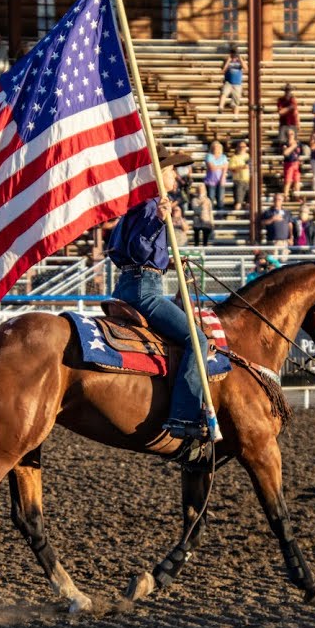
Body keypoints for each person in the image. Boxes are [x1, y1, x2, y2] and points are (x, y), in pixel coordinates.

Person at [106, 145, 212, 442]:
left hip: (128, 285)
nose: (176, 177)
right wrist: (158, 223)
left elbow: (117, 249)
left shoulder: (137, 205)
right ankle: (183, 416)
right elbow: (140, 249)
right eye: (172, 171)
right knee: (197, 340)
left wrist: (165, 260)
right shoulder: (152, 207)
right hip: (145, 289)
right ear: (158, 173)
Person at [261, 193, 294, 259]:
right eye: (275, 199)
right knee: (273, 261)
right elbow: (262, 223)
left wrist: (291, 237)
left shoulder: (287, 212)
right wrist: (272, 219)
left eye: (279, 199)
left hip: (284, 242)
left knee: (284, 261)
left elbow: (290, 225)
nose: (277, 201)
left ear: (282, 201)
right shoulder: (268, 212)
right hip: (272, 241)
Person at [218, 45, 246, 113]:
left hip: (237, 83)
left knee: (236, 101)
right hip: (228, 82)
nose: (234, 56)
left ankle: (235, 116)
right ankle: (221, 107)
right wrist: (228, 61)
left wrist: (240, 58)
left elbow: (245, 68)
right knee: (224, 93)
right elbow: (223, 70)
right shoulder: (227, 60)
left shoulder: (240, 60)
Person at [203, 140, 228, 210]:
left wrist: (222, 178)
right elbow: (212, 168)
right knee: (210, 198)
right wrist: (222, 166)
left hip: (220, 180)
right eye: (215, 147)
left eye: (218, 147)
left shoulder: (223, 157)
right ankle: (210, 213)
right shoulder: (209, 156)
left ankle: (220, 214)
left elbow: (225, 168)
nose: (216, 148)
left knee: (220, 199)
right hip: (210, 180)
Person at [281, 128, 303, 200]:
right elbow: (285, 153)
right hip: (289, 164)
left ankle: (297, 197)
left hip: (296, 164)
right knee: (288, 181)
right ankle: (286, 196)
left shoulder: (298, 144)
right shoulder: (285, 144)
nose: (290, 136)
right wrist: (293, 146)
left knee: (297, 181)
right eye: (289, 134)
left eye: (292, 134)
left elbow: (301, 153)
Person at [228, 141, 250, 211]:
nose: (242, 148)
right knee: (238, 202)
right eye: (240, 146)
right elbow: (231, 169)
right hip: (239, 181)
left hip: (249, 181)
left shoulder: (249, 156)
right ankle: (237, 215)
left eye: (243, 146)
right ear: (237, 148)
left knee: (249, 202)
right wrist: (242, 167)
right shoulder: (234, 158)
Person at [276, 84, 299, 149]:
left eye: (289, 90)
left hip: (292, 123)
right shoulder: (280, 100)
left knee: (293, 142)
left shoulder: (293, 100)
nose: (288, 92)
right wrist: (290, 107)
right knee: (282, 142)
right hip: (284, 124)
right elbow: (280, 112)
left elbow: (296, 112)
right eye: (287, 90)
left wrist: (298, 123)